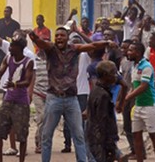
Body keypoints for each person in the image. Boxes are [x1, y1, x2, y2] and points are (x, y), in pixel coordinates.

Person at [29, 26, 117, 162]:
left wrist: (107, 43)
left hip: (71, 99)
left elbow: (92, 45)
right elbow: (42, 43)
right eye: (57, 35)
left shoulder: (74, 49)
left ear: (67, 38)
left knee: (79, 135)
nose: (59, 38)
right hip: (54, 98)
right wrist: (34, 38)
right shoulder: (51, 49)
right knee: (46, 136)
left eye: (62, 35)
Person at [0, 35, 34, 162]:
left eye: (12, 46)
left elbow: (27, 81)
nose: (10, 48)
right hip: (8, 99)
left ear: (20, 48)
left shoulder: (28, 61)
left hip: (21, 102)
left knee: (22, 134)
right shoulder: (8, 57)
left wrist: (14, 85)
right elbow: (0, 72)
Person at [124, 42, 155, 162]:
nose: (128, 53)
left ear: (139, 52)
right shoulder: (134, 66)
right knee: (136, 134)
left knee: (153, 134)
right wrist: (129, 95)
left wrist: (128, 97)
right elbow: (134, 86)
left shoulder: (146, 66)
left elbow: (143, 86)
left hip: (150, 105)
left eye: (131, 50)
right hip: (138, 105)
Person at [85, 61, 124, 162]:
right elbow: (103, 122)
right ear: (106, 76)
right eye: (114, 73)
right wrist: (110, 144)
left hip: (94, 136)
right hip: (101, 139)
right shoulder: (103, 96)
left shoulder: (96, 90)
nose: (116, 76)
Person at [119, 40, 136, 158]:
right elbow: (122, 81)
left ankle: (139, 150)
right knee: (126, 125)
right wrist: (120, 99)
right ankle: (133, 149)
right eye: (123, 48)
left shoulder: (137, 64)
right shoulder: (123, 62)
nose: (124, 51)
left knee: (134, 124)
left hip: (134, 96)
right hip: (126, 96)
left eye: (126, 49)